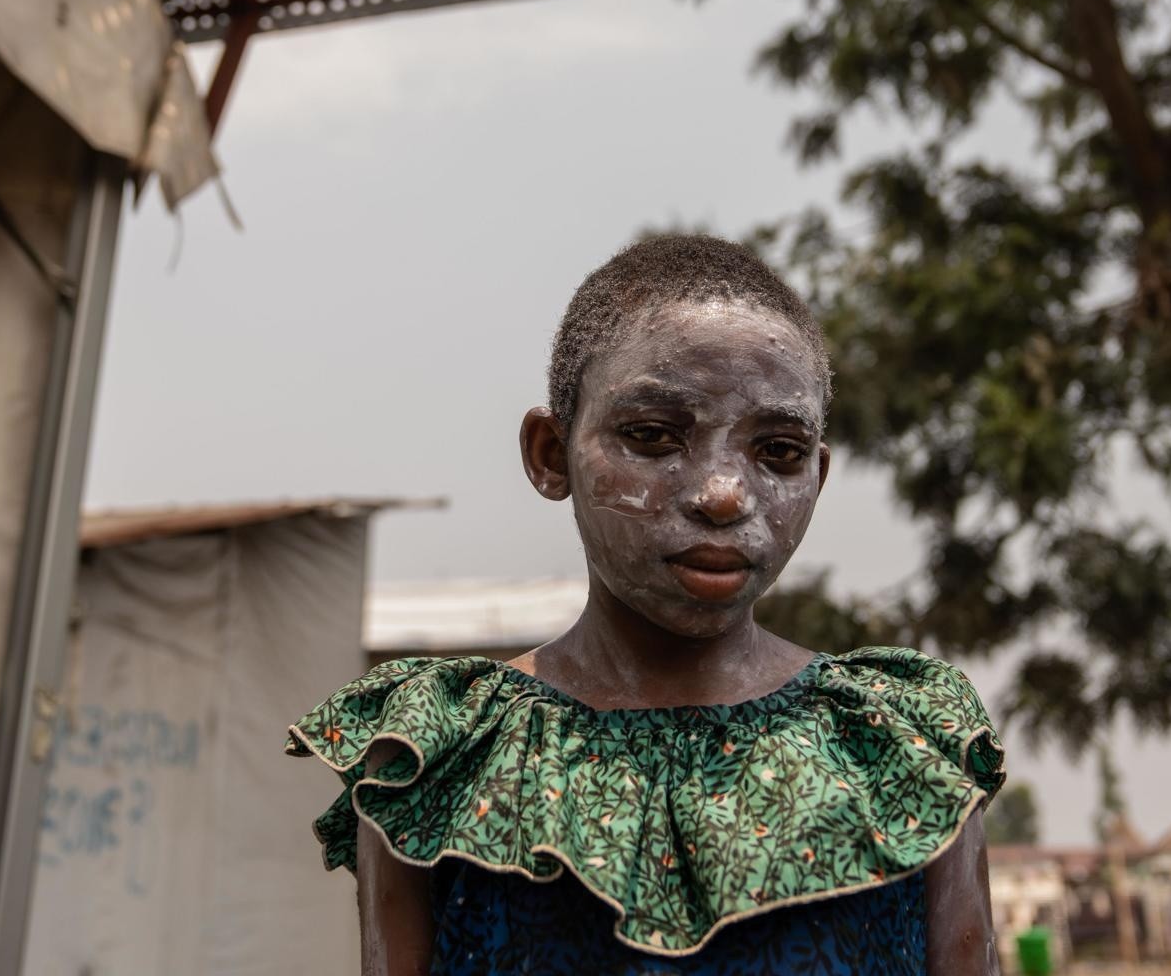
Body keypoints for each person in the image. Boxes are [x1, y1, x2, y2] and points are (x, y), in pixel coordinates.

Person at [288, 234, 1005, 974]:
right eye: (653, 437)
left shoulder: (901, 744)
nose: (723, 495)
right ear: (550, 454)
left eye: (779, 452)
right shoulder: (437, 755)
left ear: (817, 478)